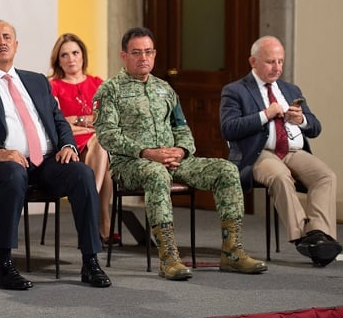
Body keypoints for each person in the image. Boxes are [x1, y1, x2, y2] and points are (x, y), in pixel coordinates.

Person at [93, 26, 266, 281]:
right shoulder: (110, 91)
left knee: (226, 170)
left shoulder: (165, 89)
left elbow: (182, 128)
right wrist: (147, 153)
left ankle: (232, 251)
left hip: (174, 161)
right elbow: (107, 135)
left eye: (149, 52)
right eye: (137, 52)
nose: (144, 57)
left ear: (155, 54)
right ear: (124, 55)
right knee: (155, 174)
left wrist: (182, 150)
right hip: (131, 165)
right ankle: (168, 257)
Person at [0, 20, 111, 290]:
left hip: (45, 163)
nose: (2, 42)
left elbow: (58, 119)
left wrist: (68, 145)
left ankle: (90, 261)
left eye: (7, 37)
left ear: (16, 45)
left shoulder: (36, 80)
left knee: (82, 173)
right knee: (14, 173)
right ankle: (2, 265)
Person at [220, 36, 342, 266]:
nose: (277, 68)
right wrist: (264, 115)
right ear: (253, 61)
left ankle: (320, 235)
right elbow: (228, 129)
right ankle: (303, 236)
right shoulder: (235, 90)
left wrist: (302, 119)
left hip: (291, 150)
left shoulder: (290, 89)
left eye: (280, 62)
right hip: (258, 152)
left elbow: (315, 127)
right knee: (279, 176)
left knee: (326, 176)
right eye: (270, 62)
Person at [47, 33, 114, 244]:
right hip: (70, 145)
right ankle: (103, 223)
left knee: (101, 144)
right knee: (104, 158)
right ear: (58, 60)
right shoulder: (53, 86)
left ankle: (91, 208)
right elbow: (57, 124)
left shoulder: (98, 84)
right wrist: (87, 122)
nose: (71, 59)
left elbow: (107, 121)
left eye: (75, 53)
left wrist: (76, 120)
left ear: (83, 55)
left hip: (99, 142)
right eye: (64, 55)